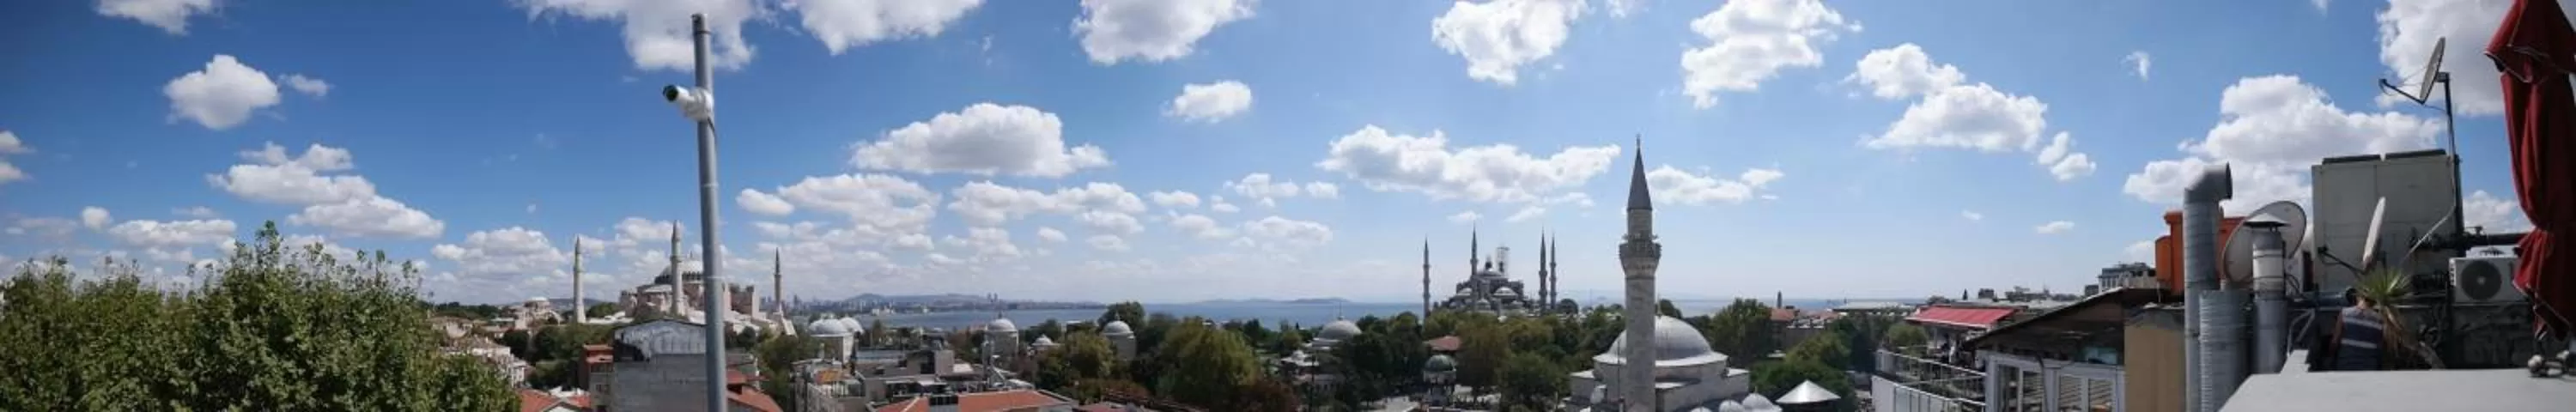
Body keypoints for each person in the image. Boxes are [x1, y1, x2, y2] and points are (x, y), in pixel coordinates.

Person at [2330, 288, 2386, 371]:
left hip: (2346, 363)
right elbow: (2380, 346)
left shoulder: (2344, 313)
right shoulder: (2379, 319)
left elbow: (2335, 342)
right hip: (2369, 365)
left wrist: (2330, 356)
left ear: (2358, 298)